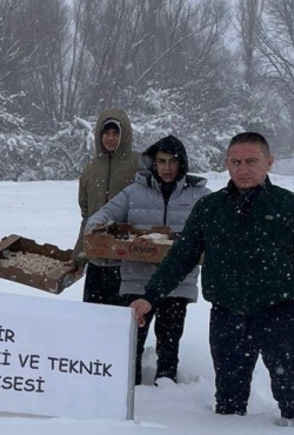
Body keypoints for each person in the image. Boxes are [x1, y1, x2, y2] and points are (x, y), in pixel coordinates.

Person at [129, 132, 294, 428]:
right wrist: (150, 297)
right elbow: (180, 257)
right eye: (236, 161)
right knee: (228, 401)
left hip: (279, 316)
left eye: (251, 161)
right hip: (227, 317)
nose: (243, 168)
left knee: (292, 394)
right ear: (226, 163)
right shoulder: (210, 208)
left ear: (269, 162)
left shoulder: (293, 208)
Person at [85, 135, 210, 385]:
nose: (166, 167)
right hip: (136, 281)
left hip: (178, 283)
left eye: (172, 162)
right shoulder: (134, 191)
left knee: (169, 340)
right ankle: (129, 386)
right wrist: (97, 226)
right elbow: (104, 214)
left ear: (182, 164)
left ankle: (166, 389)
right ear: (152, 163)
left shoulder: (200, 195)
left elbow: (220, 225)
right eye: (161, 161)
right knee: (133, 341)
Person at [76, 109, 139, 304]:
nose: (110, 138)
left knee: (124, 326)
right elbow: (86, 216)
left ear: (125, 134)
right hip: (97, 259)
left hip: (127, 262)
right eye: (106, 133)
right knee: (93, 322)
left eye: (116, 133)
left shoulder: (139, 165)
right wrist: (79, 254)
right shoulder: (90, 169)